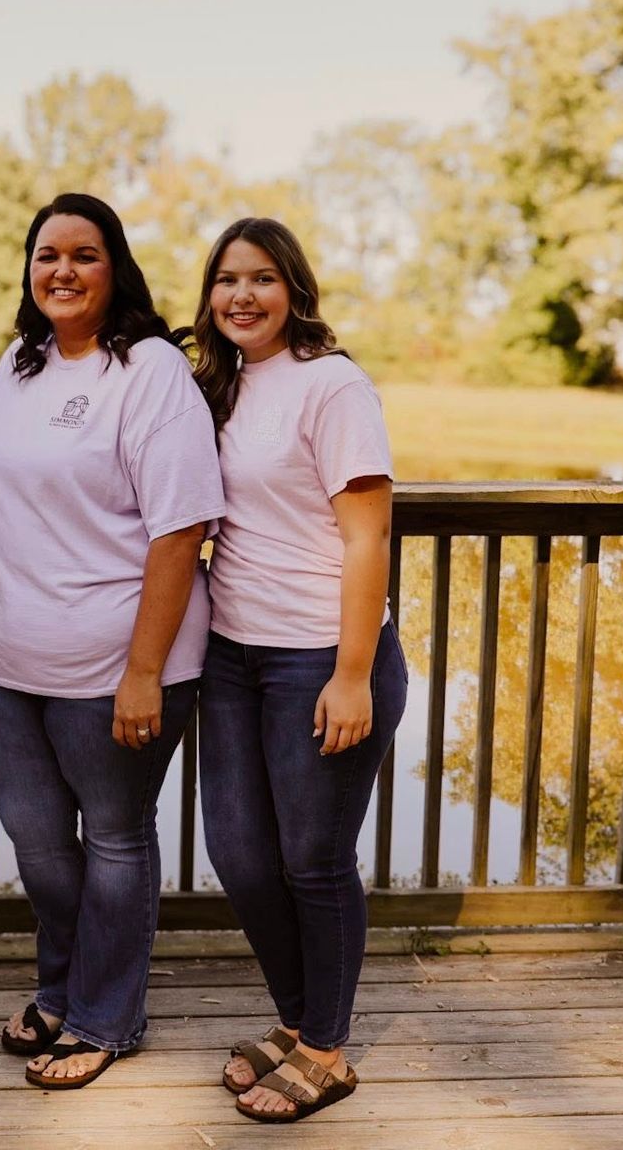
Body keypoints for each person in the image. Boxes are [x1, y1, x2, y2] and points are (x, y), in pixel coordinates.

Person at [0, 192, 224, 1090]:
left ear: (114, 267)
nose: (63, 271)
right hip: (7, 660)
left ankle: (107, 1016)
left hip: (117, 662)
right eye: (47, 255)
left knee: (115, 839)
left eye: (84, 254)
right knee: (38, 843)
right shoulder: (20, 362)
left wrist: (144, 671)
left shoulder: (150, 370)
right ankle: (60, 988)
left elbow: (178, 529)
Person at [190, 217, 406, 1124]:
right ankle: (297, 1022)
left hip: (320, 656)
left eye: (262, 278)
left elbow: (367, 536)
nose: (242, 294)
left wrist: (352, 673)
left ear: (295, 290)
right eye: (227, 279)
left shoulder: (334, 385)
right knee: (241, 855)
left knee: (314, 860)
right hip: (233, 656)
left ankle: (327, 1048)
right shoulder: (220, 386)